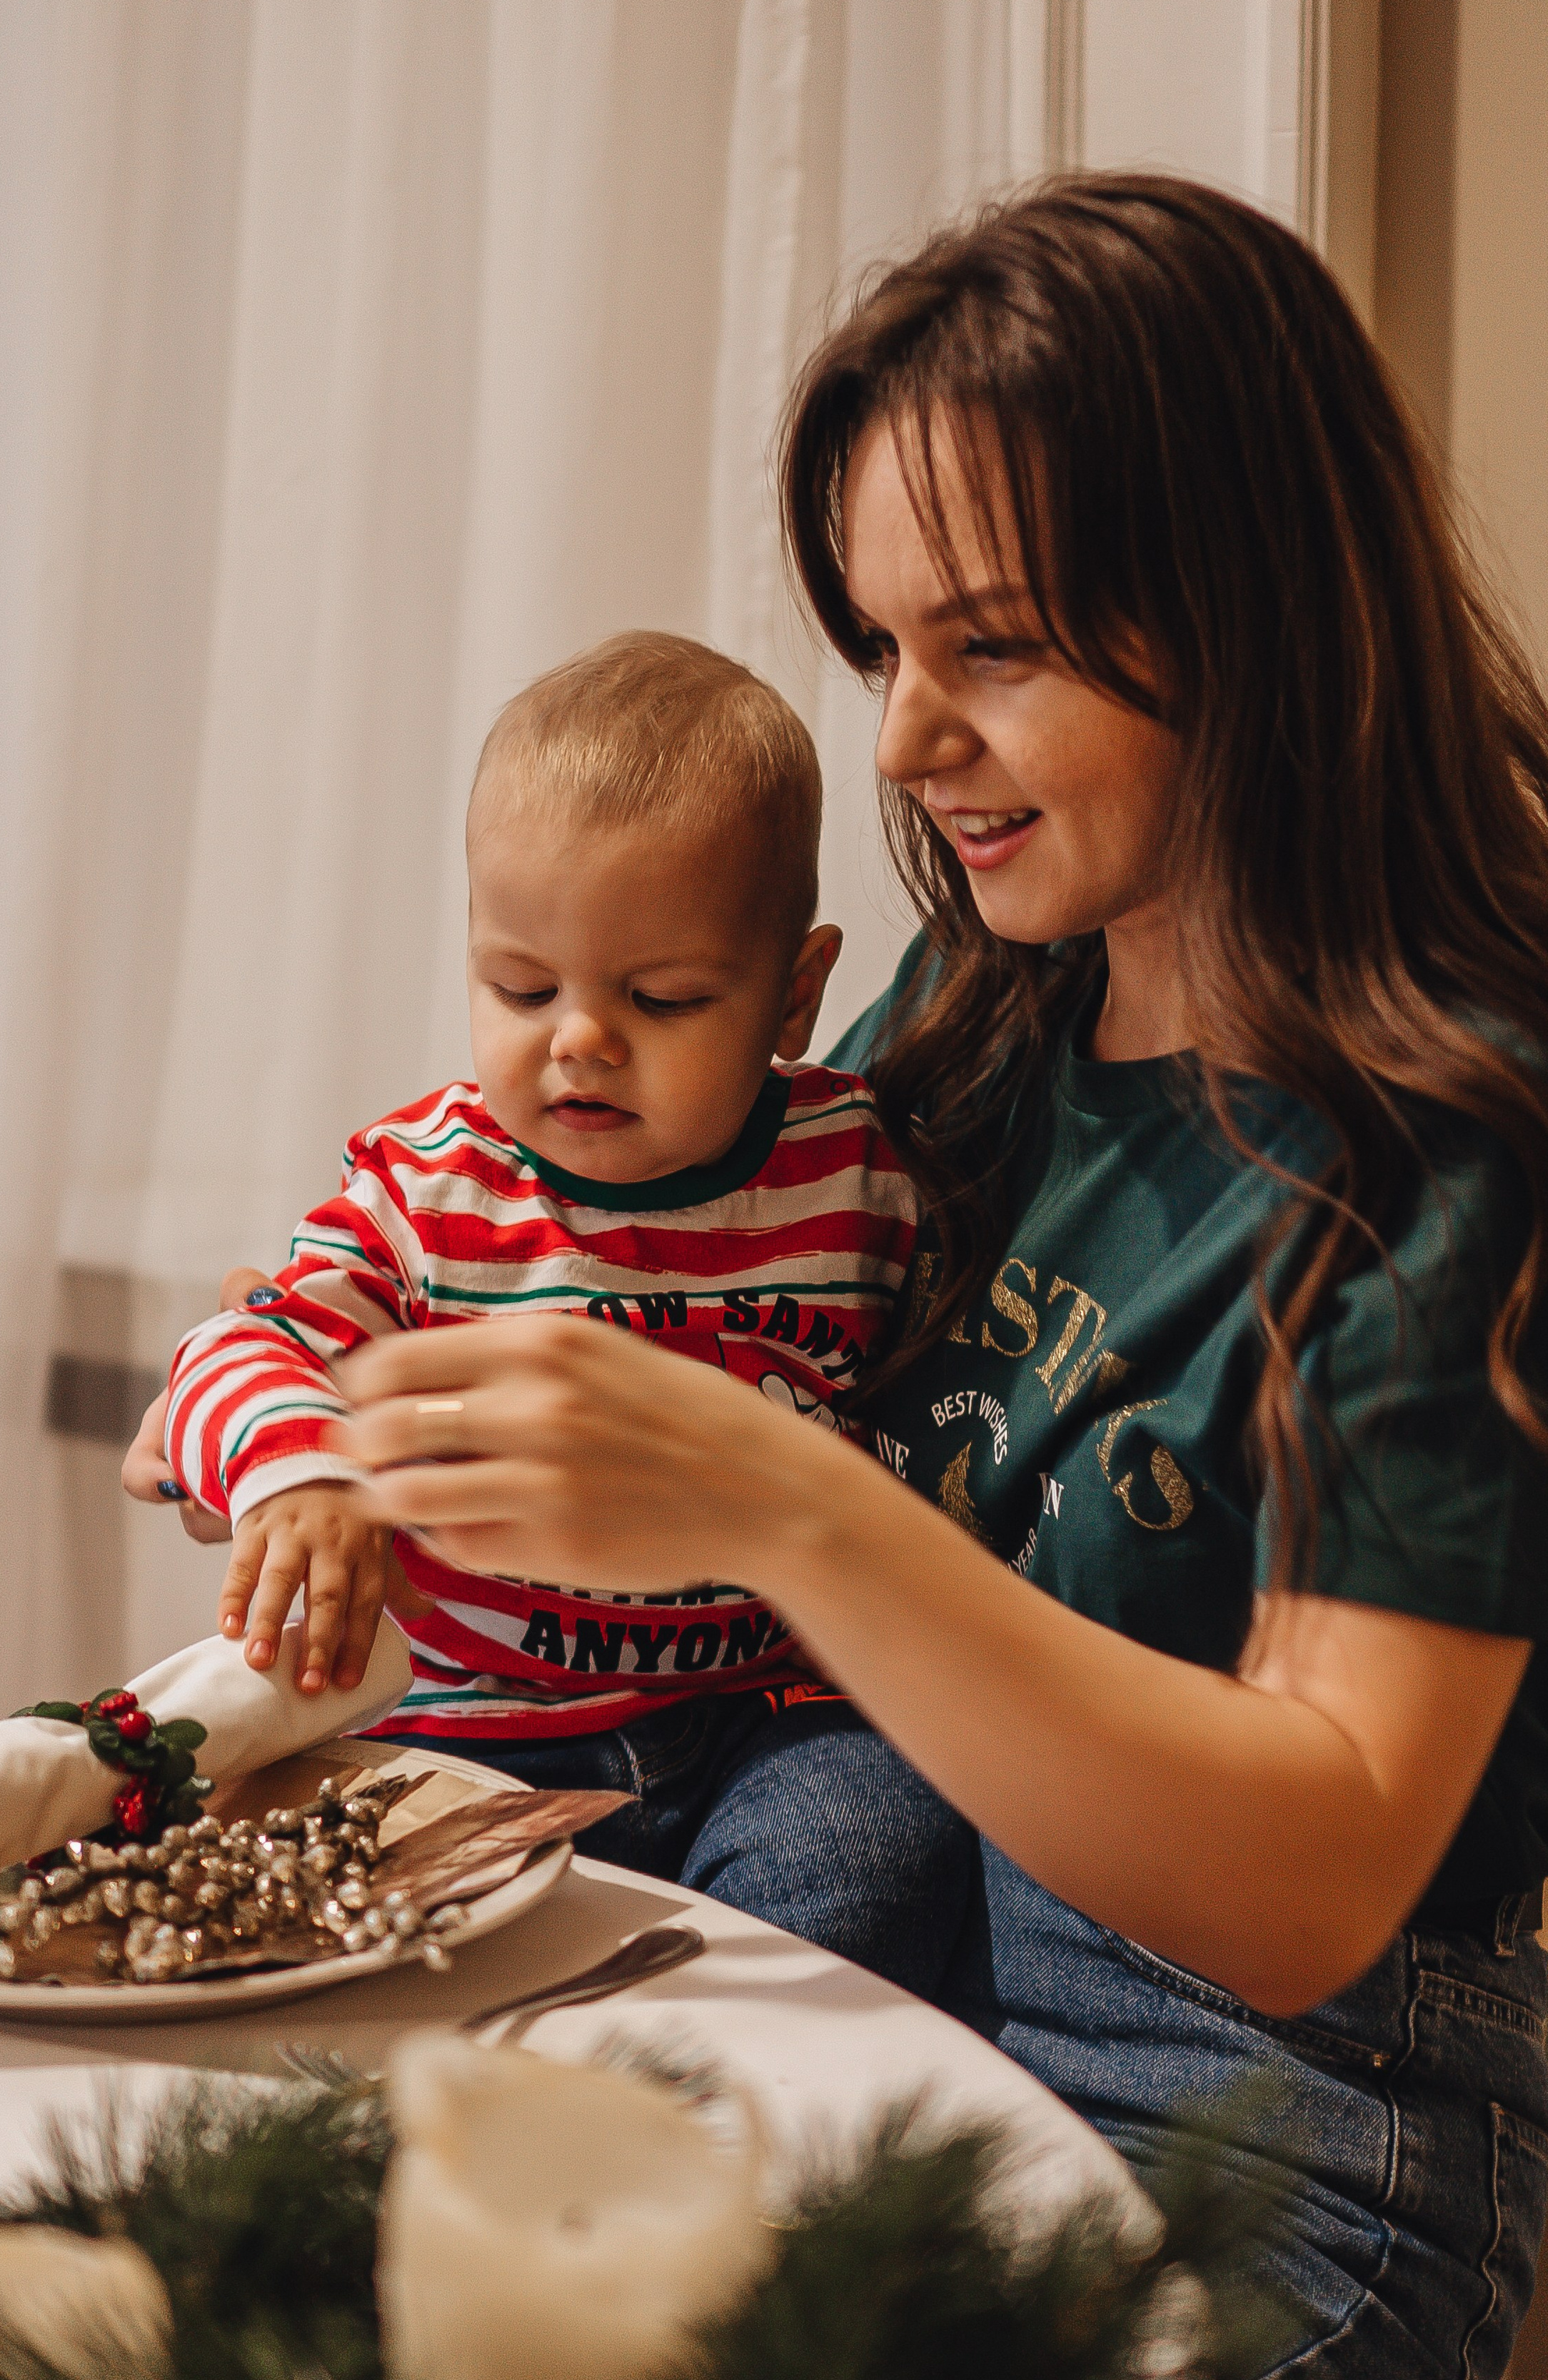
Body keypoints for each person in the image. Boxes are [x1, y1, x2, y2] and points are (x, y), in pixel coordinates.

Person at [314, 178, 1548, 2380]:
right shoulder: (988, 995)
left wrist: (776, 1501)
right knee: (316, 2357)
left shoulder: (1488, 1122)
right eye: (882, 643)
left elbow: (1316, 1884)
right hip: (885, 1984)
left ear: (1254, 604)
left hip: (1285, 2136)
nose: (911, 734)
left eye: (1000, 645)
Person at [142, 632, 975, 1986]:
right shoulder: (428, 1184)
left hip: (766, 1715)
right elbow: (241, 1344)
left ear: (796, 995)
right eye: (522, 988)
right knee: (359, 1930)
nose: (578, 1039)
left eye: (663, 999)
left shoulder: (865, 1173)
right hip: (472, 1718)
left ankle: (717, 2082)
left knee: (880, 1851)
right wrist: (301, 1475)